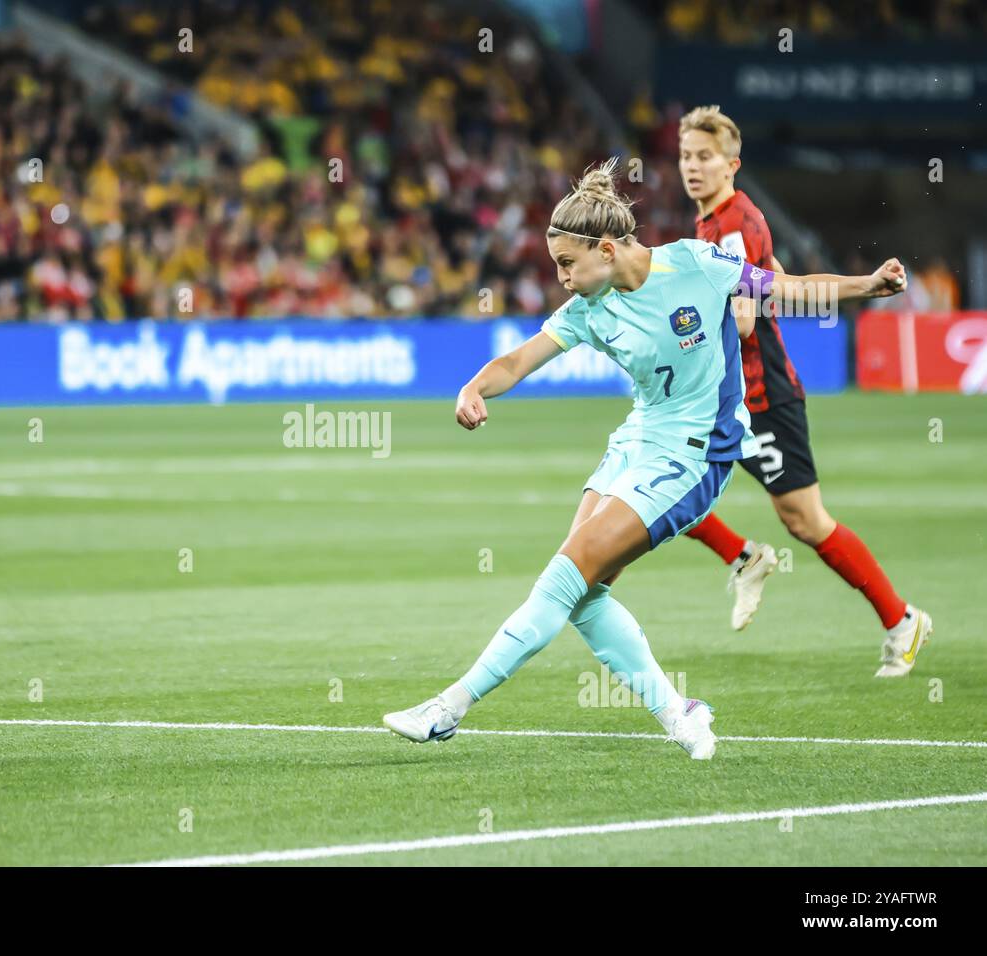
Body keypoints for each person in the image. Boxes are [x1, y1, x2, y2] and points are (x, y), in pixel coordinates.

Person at [382, 159, 908, 758]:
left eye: (566, 264)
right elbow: (516, 361)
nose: (561, 278)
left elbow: (780, 289)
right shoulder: (588, 307)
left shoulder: (695, 264)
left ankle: (450, 707)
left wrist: (866, 286)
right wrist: (473, 387)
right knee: (583, 594)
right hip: (636, 440)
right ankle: (681, 713)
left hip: (696, 453)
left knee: (564, 575)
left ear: (606, 249)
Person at [677, 105, 931, 677]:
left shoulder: (736, 225)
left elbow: (747, 317)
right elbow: (784, 287)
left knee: (805, 521)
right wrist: (860, 287)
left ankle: (900, 619)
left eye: (705, 157)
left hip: (760, 395)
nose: (693, 167)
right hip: (724, 391)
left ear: (731, 164)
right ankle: (743, 557)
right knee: (665, 483)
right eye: (686, 156)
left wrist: (686, 314)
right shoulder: (716, 223)